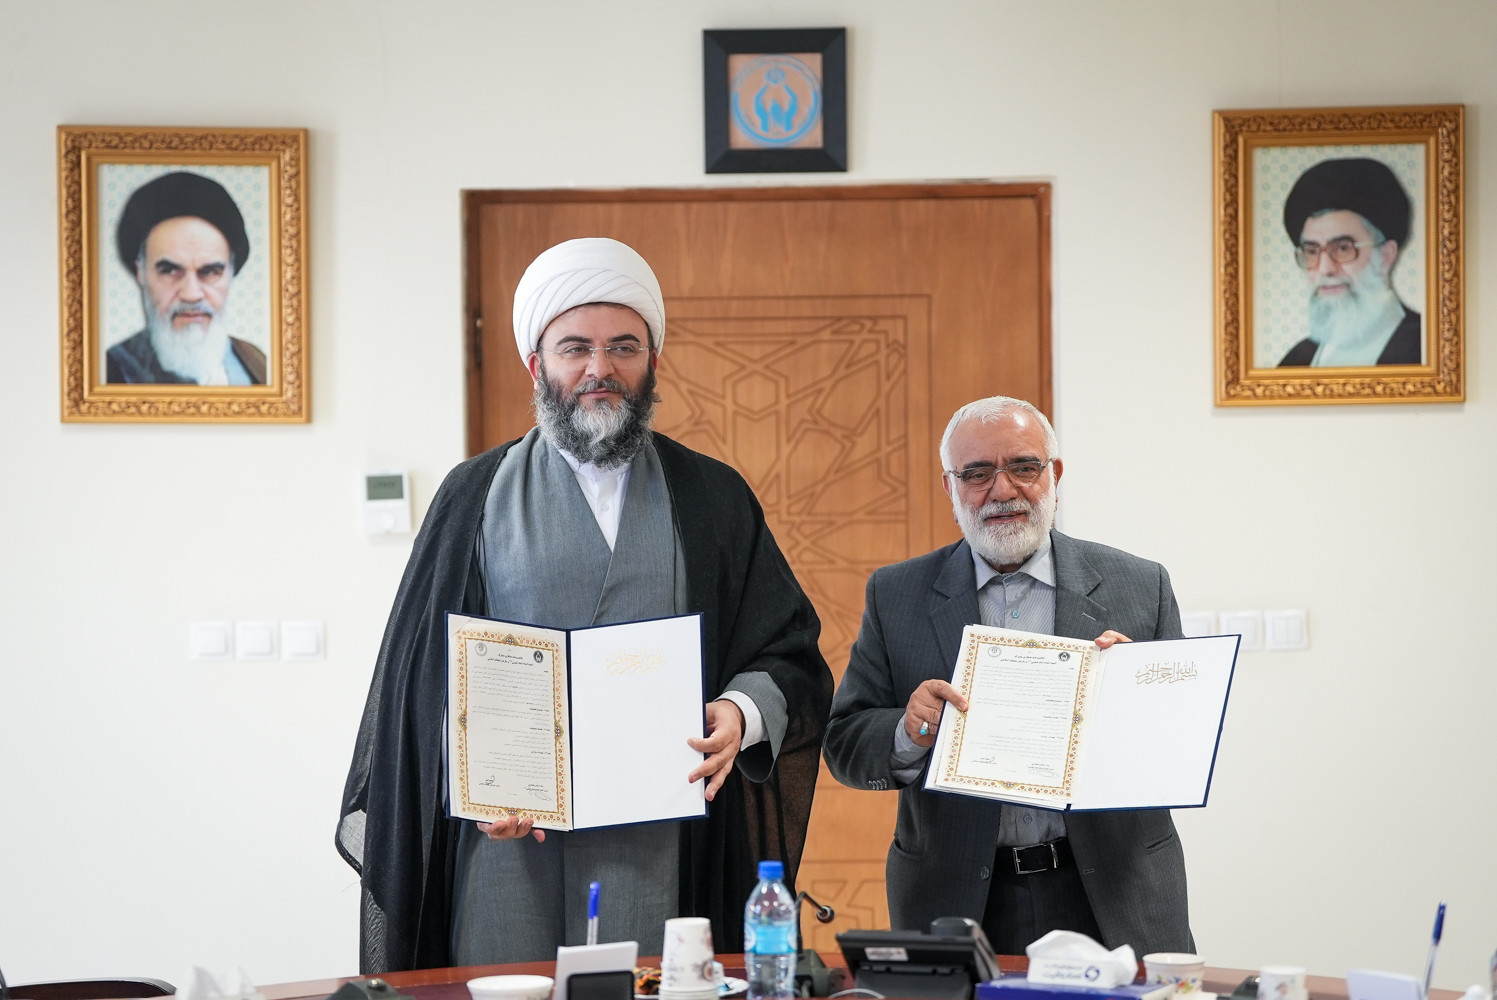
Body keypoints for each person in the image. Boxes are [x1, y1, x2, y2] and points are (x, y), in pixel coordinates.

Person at [337, 237, 832, 973]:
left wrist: (739, 713)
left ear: (652, 361)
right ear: (536, 365)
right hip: (509, 845)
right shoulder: (472, 496)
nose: (600, 368)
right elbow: (415, 688)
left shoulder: (713, 496)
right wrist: (471, 783)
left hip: (669, 833)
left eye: (623, 347)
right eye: (575, 348)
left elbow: (787, 649)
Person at [822, 395, 1192, 956]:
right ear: (950, 488)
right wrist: (909, 730)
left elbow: (1181, 743)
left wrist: (1134, 695)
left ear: (1055, 475)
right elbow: (845, 744)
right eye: (977, 474)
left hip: (1114, 892)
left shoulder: (1140, 586)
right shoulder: (896, 594)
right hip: (957, 899)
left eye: (1023, 467)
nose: (1002, 491)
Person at [106, 171, 267, 385]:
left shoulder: (255, 360)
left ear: (230, 273)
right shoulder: (110, 372)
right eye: (170, 271)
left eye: (210, 272)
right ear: (141, 272)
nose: (191, 294)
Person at [1277, 157, 1422, 367]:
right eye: (1312, 251)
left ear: (1385, 256)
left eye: (1343, 248)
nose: (1325, 269)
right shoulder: (1296, 360)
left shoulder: (1426, 347)